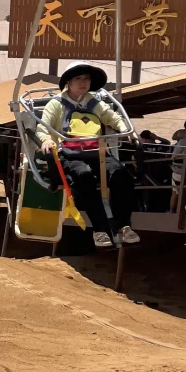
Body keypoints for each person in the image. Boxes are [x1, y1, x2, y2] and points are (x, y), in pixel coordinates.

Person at [39, 64, 138, 249]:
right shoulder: (56, 104)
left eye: (86, 78)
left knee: (121, 176)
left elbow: (113, 118)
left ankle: (123, 225)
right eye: (78, 78)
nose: (83, 82)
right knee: (84, 177)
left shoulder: (94, 103)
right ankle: (99, 229)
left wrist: (127, 130)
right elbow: (43, 127)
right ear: (68, 82)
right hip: (70, 154)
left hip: (96, 151)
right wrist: (46, 140)